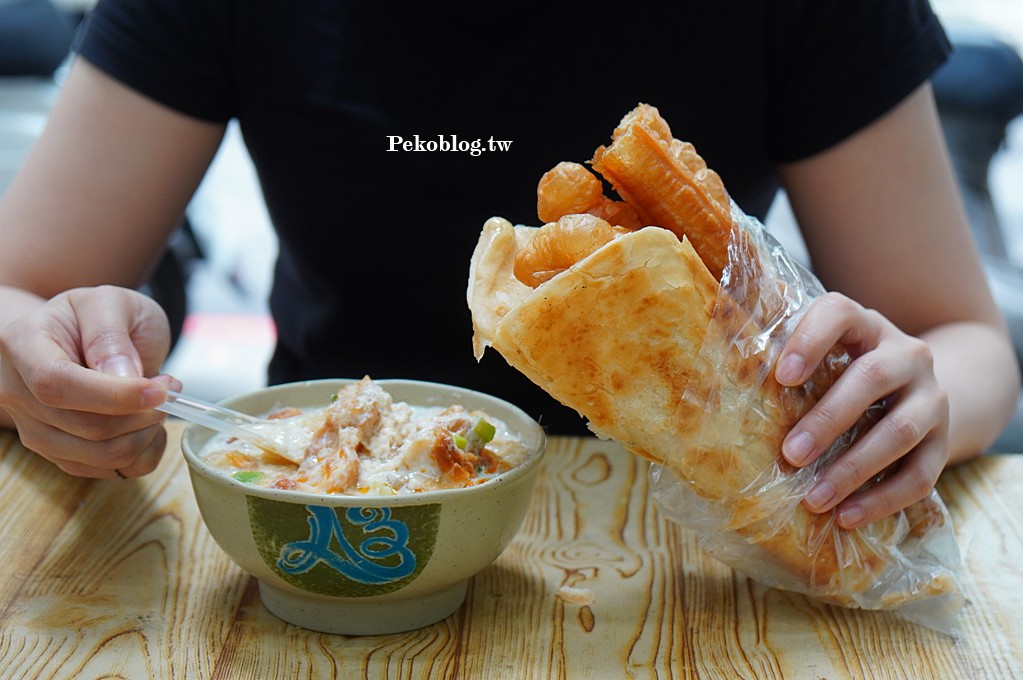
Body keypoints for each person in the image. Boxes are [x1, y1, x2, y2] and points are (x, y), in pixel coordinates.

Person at [0, 0, 1018, 532]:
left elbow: (965, 340)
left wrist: (907, 404)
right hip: (330, 528)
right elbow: (18, 294)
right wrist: (49, 361)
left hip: (707, 548)